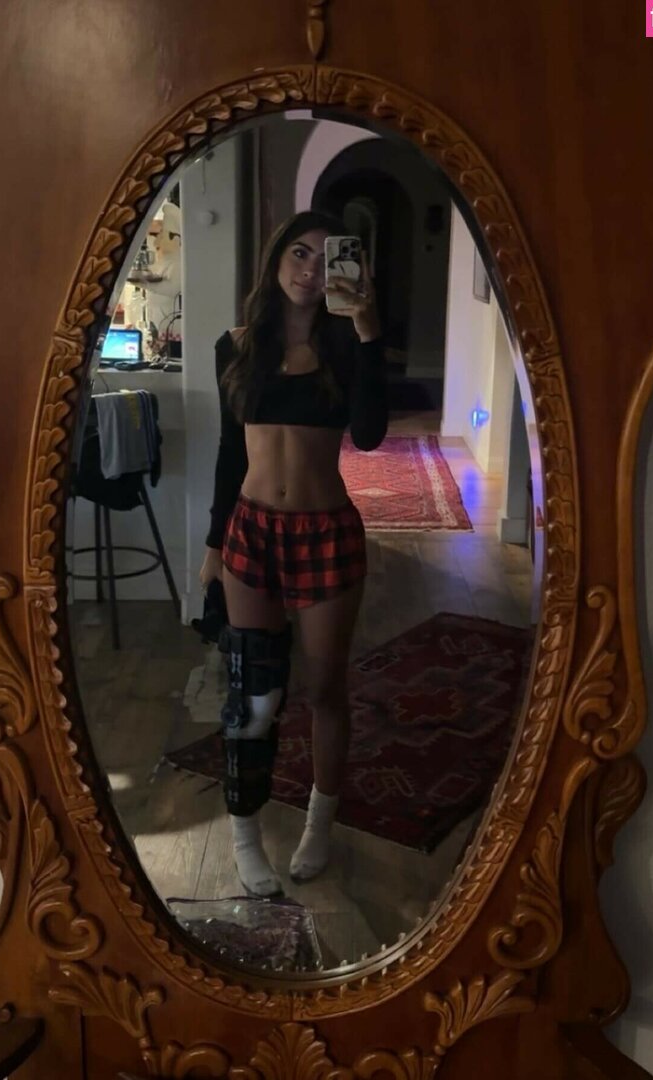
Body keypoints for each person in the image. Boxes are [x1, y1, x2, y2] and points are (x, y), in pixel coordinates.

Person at [200, 211, 388, 897]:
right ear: (277, 257)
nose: (310, 268)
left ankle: (318, 824)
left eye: (325, 256)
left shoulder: (348, 347)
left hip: (325, 533)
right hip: (250, 532)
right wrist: (213, 544)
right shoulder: (236, 346)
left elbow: (369, 435)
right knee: (253, 695)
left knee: (324, 689)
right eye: (299, 252)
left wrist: (369, 332)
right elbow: (230, 452)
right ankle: (244, 835)